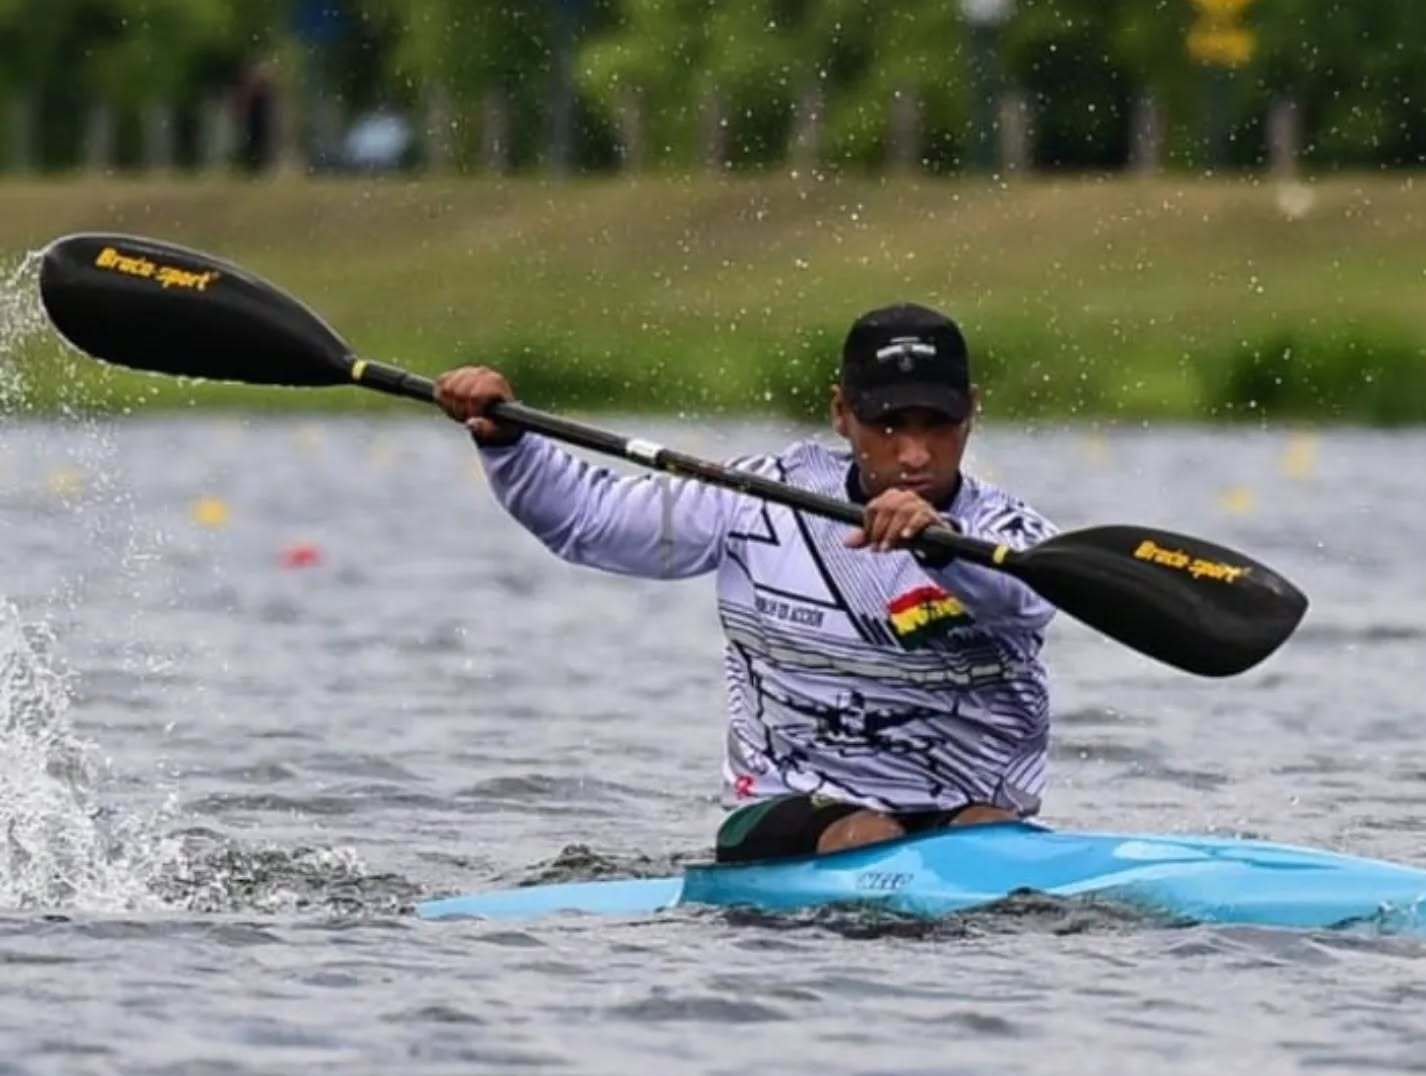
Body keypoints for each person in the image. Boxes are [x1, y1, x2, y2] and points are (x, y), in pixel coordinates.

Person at [435, 303, 1056, 863]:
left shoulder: (1004, 530)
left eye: (937, 424)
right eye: (890, 424)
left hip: (971, 814)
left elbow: (1025, 603)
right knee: (872, 836)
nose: (915, 455)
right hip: (795, 807)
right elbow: (589, 522)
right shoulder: (759, 496)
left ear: (972, 412)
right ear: (841, 413)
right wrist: (511, 444)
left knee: (986, 830)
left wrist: (942, 549)